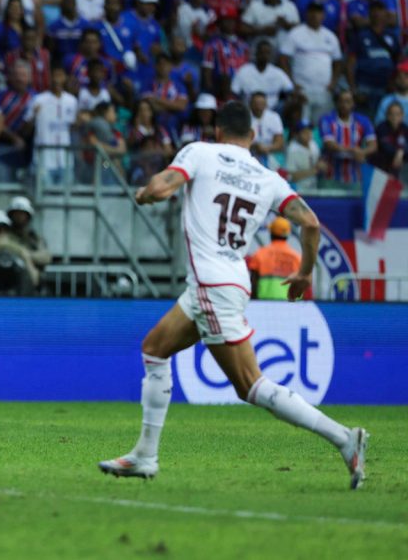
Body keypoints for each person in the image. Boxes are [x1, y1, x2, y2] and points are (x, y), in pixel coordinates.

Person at [98, 101, 368, 489]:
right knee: (154, 348)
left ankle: (345, 439)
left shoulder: (200, 152)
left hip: (212, 283)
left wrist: (144, 193)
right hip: (225, 280)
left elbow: (162, 188)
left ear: (219, 131)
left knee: (250, 385)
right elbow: (310, 222)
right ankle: (144, 455)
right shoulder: (267, 176)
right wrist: (306, 271)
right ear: (253, 136)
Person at [247, 217, 302, 300]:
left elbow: (253, 283)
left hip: (264, 305)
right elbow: (303, 285)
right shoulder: (297, 258)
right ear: (287, 235)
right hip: (292, 306)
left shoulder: (260, 254)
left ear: (271, 233)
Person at [6, 196, 51, 272]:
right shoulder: (4, 236)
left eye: (22, 214)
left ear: (28, 217)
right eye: (16, 213)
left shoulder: (35, 238)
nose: (19, 217)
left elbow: (46, 257)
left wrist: (26, 255)